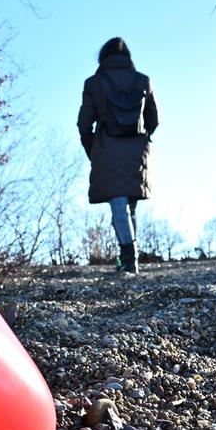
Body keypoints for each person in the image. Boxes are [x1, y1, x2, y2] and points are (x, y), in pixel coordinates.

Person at [77, 37, 159, 275]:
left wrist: (92, 148)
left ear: (103, 57)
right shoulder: (143, 80)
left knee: (118, 203)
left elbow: (83, 123)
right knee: (129, 206)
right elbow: (154, 119)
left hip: (107, 147)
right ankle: (129, 260)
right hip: (137, 148)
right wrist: (143, 136)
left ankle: (129, 260)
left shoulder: (94, 83)